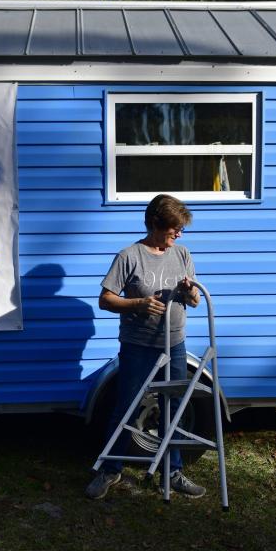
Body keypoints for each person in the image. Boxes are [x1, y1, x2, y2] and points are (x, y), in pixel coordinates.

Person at [86, 194, 205, 500]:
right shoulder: (130, 256)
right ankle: (110, 470)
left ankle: (173, 471)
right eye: (173, 229)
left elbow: (194, 301)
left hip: (175, 343)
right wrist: (138, 303)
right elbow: (105, 299)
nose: (178, 234)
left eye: (180, 229)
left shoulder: (182, 254)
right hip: (139, 345)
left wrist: (190, 292)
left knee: (174, 408)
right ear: (155, 224)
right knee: (126, 406)